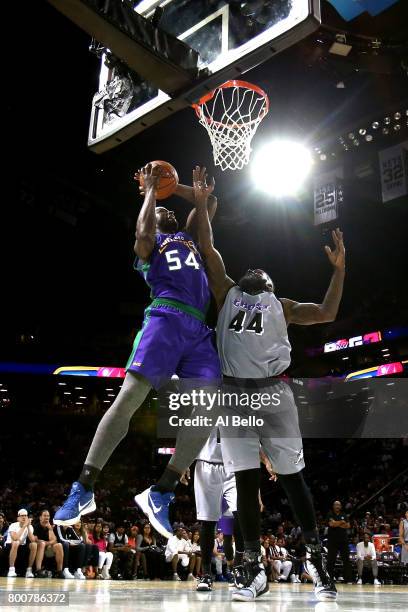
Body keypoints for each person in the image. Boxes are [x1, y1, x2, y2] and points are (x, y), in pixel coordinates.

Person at [192, 171, 345, 601]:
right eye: (252, 268)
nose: (256, 270)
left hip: (273, 393)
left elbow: (329, 312)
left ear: (271, 285)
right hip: (235, 394)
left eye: (263, 270)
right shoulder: (225, 290)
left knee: (293, 479)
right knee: (244, 483)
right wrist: (202, 205)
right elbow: (207, 248)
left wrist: (339, 270)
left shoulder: (284, 305)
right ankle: (251, 566)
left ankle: (317, 562)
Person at [54, 165, 221, 538]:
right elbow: (143, 231)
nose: (169, 211)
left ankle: (161, 491)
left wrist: (174, 186)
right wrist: (150, 191)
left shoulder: (190, 237)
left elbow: (209, 202)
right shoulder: (149, 245)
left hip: (198, 329)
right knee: (130, 397)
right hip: (165, 317)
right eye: (163, 209)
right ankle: (83, 487)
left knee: (210, 408)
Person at [5, 509, 38, 578]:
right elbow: (14, 538)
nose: (24, 517)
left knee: (34, 545)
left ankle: (29, 570)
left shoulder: (30, 527)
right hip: (9, 546)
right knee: (16, 542)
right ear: (18, 518)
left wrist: (28, 526)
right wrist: (23, 527)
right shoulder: (13, 525)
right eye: (22, 515)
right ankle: (11, 569)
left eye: (25, 516)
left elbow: (32, 540)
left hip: (21, 546)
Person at [32, 509, 64, 578]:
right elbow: (36, 540)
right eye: (45, 516)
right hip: (38, 550)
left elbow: (54, 540)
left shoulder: (50, 527)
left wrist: (50, 529)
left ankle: (59, 571)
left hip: (48, 552)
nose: (47, 517)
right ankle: (38, 570)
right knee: (42, 544)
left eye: (48, 516)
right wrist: (48, 543)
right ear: (40, 517)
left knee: (59, 545)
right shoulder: (35, 526)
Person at [326, 501, 352, 584]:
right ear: (333, 506)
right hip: (332, 541)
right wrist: (341, 522)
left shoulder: (344, 514)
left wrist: (336, 523)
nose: (337, 506)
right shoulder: (330, 514)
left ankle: (348, 579)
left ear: (341, 506)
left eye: (339, 505)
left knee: (346, 560)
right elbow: (331, 524)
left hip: (343, 541)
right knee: (331, 560)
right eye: (336, 505)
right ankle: (329, 579)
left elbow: (348, 526)